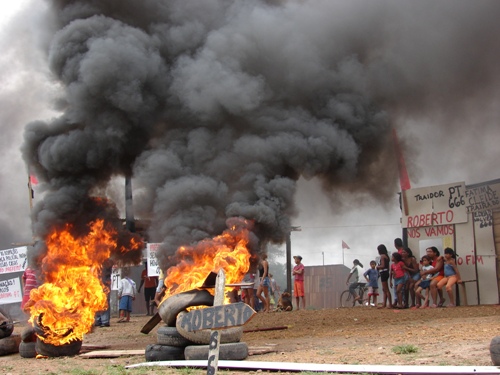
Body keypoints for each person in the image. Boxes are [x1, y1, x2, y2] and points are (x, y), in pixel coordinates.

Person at [94, 258, 114, 327]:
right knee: (96, 302)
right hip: (96, 285)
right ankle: (98, 320)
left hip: (104, 285)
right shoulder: (96, 262)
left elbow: (106, 274)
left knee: (104, 302)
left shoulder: (107, 262)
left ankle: (105, 321)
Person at [376, 244, 392, 309]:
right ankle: (384, 303)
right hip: (386, 272)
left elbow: (383, 265)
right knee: (384, 289)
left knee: (386, 289)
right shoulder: (386, 256)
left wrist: (377, 267)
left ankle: (390, 304)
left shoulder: (382, 256)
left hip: (383, 272)